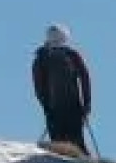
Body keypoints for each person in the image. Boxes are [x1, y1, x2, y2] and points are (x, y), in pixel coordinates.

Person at [32, 24, 93, 156]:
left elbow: (38, 87)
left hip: (53, 110)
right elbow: (85, 79)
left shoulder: (41, 57)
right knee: (77, 143)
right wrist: (86, 105)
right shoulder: (72, 55)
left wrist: (46, 107)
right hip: (74, 107)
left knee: (58, 146)